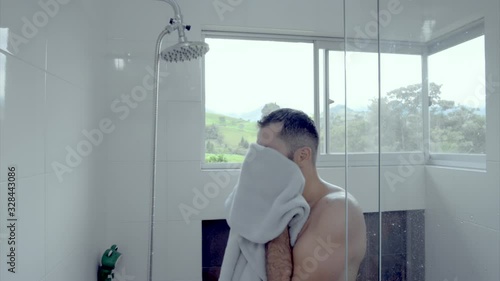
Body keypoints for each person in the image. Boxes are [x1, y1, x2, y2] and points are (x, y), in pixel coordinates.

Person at [256, 108, 367, 281]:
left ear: (302, 155)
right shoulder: (294, 202)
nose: (259, 163)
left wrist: (276, 214)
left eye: (268, 153)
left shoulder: (339, 210)